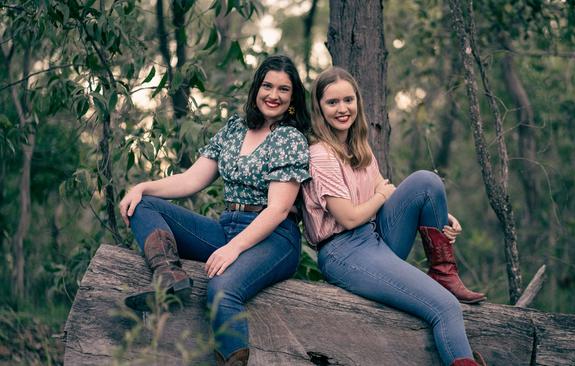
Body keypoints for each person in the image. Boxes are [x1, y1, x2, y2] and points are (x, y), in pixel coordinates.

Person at [118, 55, 310, 366]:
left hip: (274, 237)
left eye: (283, 90)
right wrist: (142, 187)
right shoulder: (234, 128)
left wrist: (233, 249)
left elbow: (277, 209)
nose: (273, 95)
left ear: (292, 98)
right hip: (228, 227)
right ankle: (169, 279)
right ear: (256, 89)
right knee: (146, 206)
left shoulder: (290, 138)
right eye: (267, 86)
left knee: (222, 289)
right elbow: (192, 179)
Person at [301, 67, 486, 366]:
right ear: (319, 107)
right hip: (344, 252)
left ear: (358, 102)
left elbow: (386, 190)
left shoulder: (358, 147)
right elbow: (348, 218)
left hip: (375, 238)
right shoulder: (321, 154)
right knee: (446, 308)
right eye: (332, 102)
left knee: (427, 182)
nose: (342, 109)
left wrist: (439, 214)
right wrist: (379, 197)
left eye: (348, 100)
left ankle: (443, 272)